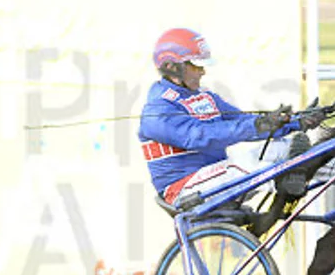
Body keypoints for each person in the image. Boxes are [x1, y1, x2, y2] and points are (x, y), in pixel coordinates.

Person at [138, 27, 324, 207]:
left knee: (284, 147)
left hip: (216, 175)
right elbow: (200, 136)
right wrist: (259, 125)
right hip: (184, 189)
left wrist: (295, 122)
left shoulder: (204, 96)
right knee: (244, 166)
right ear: (172, 67)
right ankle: (285, 183)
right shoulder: (157, 110)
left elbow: (240, 122)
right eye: (196, 65)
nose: (203, 72)